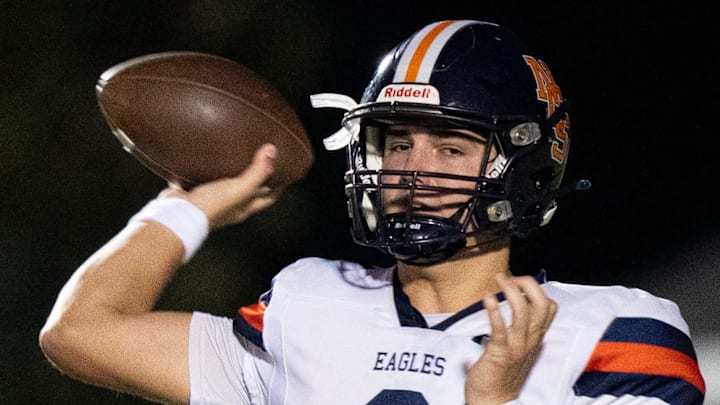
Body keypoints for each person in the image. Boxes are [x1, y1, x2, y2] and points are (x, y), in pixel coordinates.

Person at [39, 19, 705, 404]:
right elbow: (81, 331)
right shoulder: (307, 302)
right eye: (395, 143)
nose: (413, 171)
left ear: (525, 165)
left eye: (450, 146)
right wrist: (187, 205)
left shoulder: (620, 336)